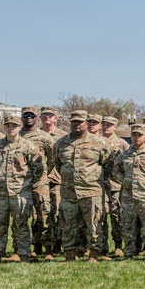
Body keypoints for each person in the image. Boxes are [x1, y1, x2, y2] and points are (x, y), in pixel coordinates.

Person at [0, 113, 45, 262]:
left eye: (14, 126)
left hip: (20, 192)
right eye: (8, 126)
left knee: (21, 224)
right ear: (4, 127)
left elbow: (38, 168)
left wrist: (26, 182)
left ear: (19, 127)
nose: (11, 128)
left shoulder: (28, 146)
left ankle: (23, 254)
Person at [54, 110, 112, 262]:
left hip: (91, 190)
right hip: (69, 191)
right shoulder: (61, 143)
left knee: (94, 223)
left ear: (86, 123)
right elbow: (57, 164)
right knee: (68, 224)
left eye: (80, 122)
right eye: (74, 121)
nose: (77, 124)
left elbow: (108, 165)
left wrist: (93, 178)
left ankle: (93, 254)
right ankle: (70, 254)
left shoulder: (99, 143)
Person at [112, 124, 145, 260]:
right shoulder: (124, 155)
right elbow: (115, 171)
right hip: (128, 196)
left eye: (140, 135)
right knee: (127, 226)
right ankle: (128, 254)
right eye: (134, 135)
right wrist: (125, 181)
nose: (137, 137)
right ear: (131, 136)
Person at [18, 107, 56, 259]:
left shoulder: (45, 137)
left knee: (44, 215)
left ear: (36, 118)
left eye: (32, 115)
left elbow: (52, 160)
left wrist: (42, 174)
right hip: (20, 183)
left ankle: (48, 249)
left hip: (39, 182)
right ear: (21, 117)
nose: (29, 118)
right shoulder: (16, 136)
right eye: (26, 115)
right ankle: (21, 249)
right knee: (20, 217)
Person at [98, 116, 128, 257]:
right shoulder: (96, 141)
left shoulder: (122, 143)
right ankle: (101, 246)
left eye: (109, 125)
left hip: (117, 185)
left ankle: (118, 245)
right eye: (104, 124)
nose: (106, 127)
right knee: (100, 216)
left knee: (117, 217)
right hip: (100, 184)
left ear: (115, 127)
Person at [39, 106, 66, 256]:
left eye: (50, 115)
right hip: (38, 180)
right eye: (44, 115)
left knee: (57, 213)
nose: (47, 117)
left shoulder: (63, 137)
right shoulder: (34, 135)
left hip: (57, 179)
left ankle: (57, 245)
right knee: (39, 214)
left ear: (56, 118)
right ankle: (39, 246)